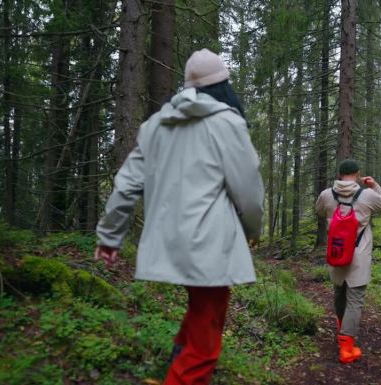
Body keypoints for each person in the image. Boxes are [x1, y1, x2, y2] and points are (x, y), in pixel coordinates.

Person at [94, 48, 264, 385]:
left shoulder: (155, 124)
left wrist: (110, 237)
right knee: (205, 346)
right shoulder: (227, 122)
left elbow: (127, 184)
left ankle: (176, 359)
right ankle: (181, 373)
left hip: (169, 241)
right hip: (210, 245)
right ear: (223, 85)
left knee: (204, 312)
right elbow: (248, 191)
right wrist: (252, 229)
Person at [315, 159, 381, 364]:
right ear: (357, 174)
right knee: (355, 297)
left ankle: (342, 330)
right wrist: (374, 186)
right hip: (359, 254)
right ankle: (346, 348)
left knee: (339, 291)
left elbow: (320, 211)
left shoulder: (326, 195)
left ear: (339, 174)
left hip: (337, 251)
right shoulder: (367, 195)